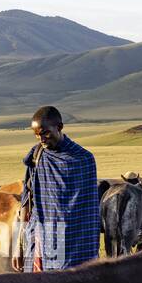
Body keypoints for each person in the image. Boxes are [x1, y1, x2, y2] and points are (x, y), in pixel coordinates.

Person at [14, 105, 99, 271]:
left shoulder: (84, 159)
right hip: (41, 242)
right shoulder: (37, 156)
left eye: (45, 133)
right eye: (37, 135)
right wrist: (18, 245)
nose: (42, 139)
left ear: (59, 127)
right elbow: (26, 200)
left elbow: (90, 211)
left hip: (79, 244)